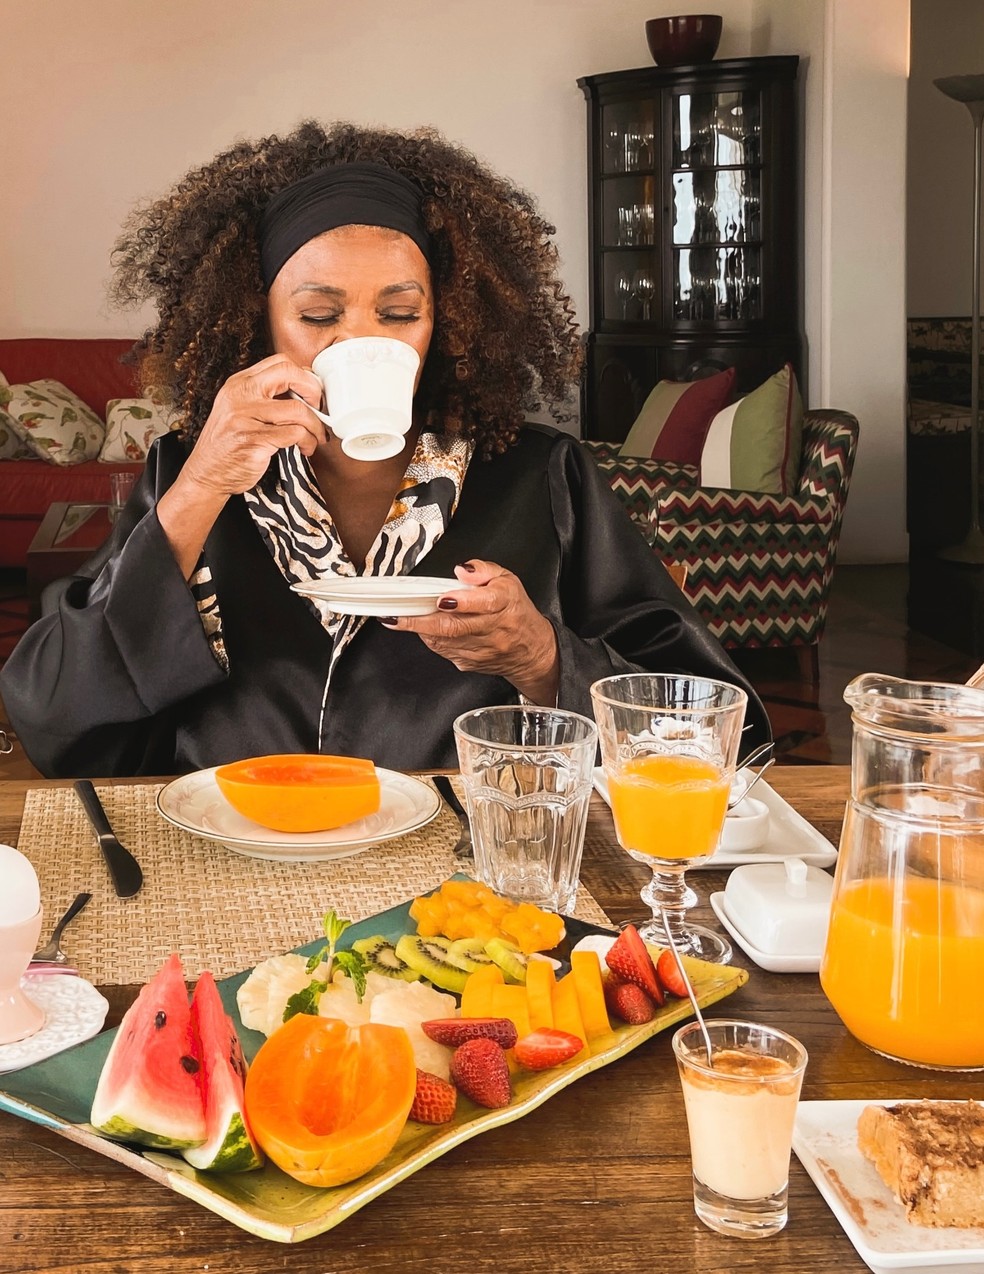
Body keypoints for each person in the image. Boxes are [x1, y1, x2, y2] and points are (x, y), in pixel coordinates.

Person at [2, 121, 770, 778]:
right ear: (259, 323)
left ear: (446, 322)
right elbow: (49, 714)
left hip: (466, 879)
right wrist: (198, 491)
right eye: (318, 314)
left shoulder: (542, 476)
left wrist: (541, 658)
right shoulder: (191, 469)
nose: (361, 341)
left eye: (398, 312)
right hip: (229, 856)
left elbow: (715, 738)